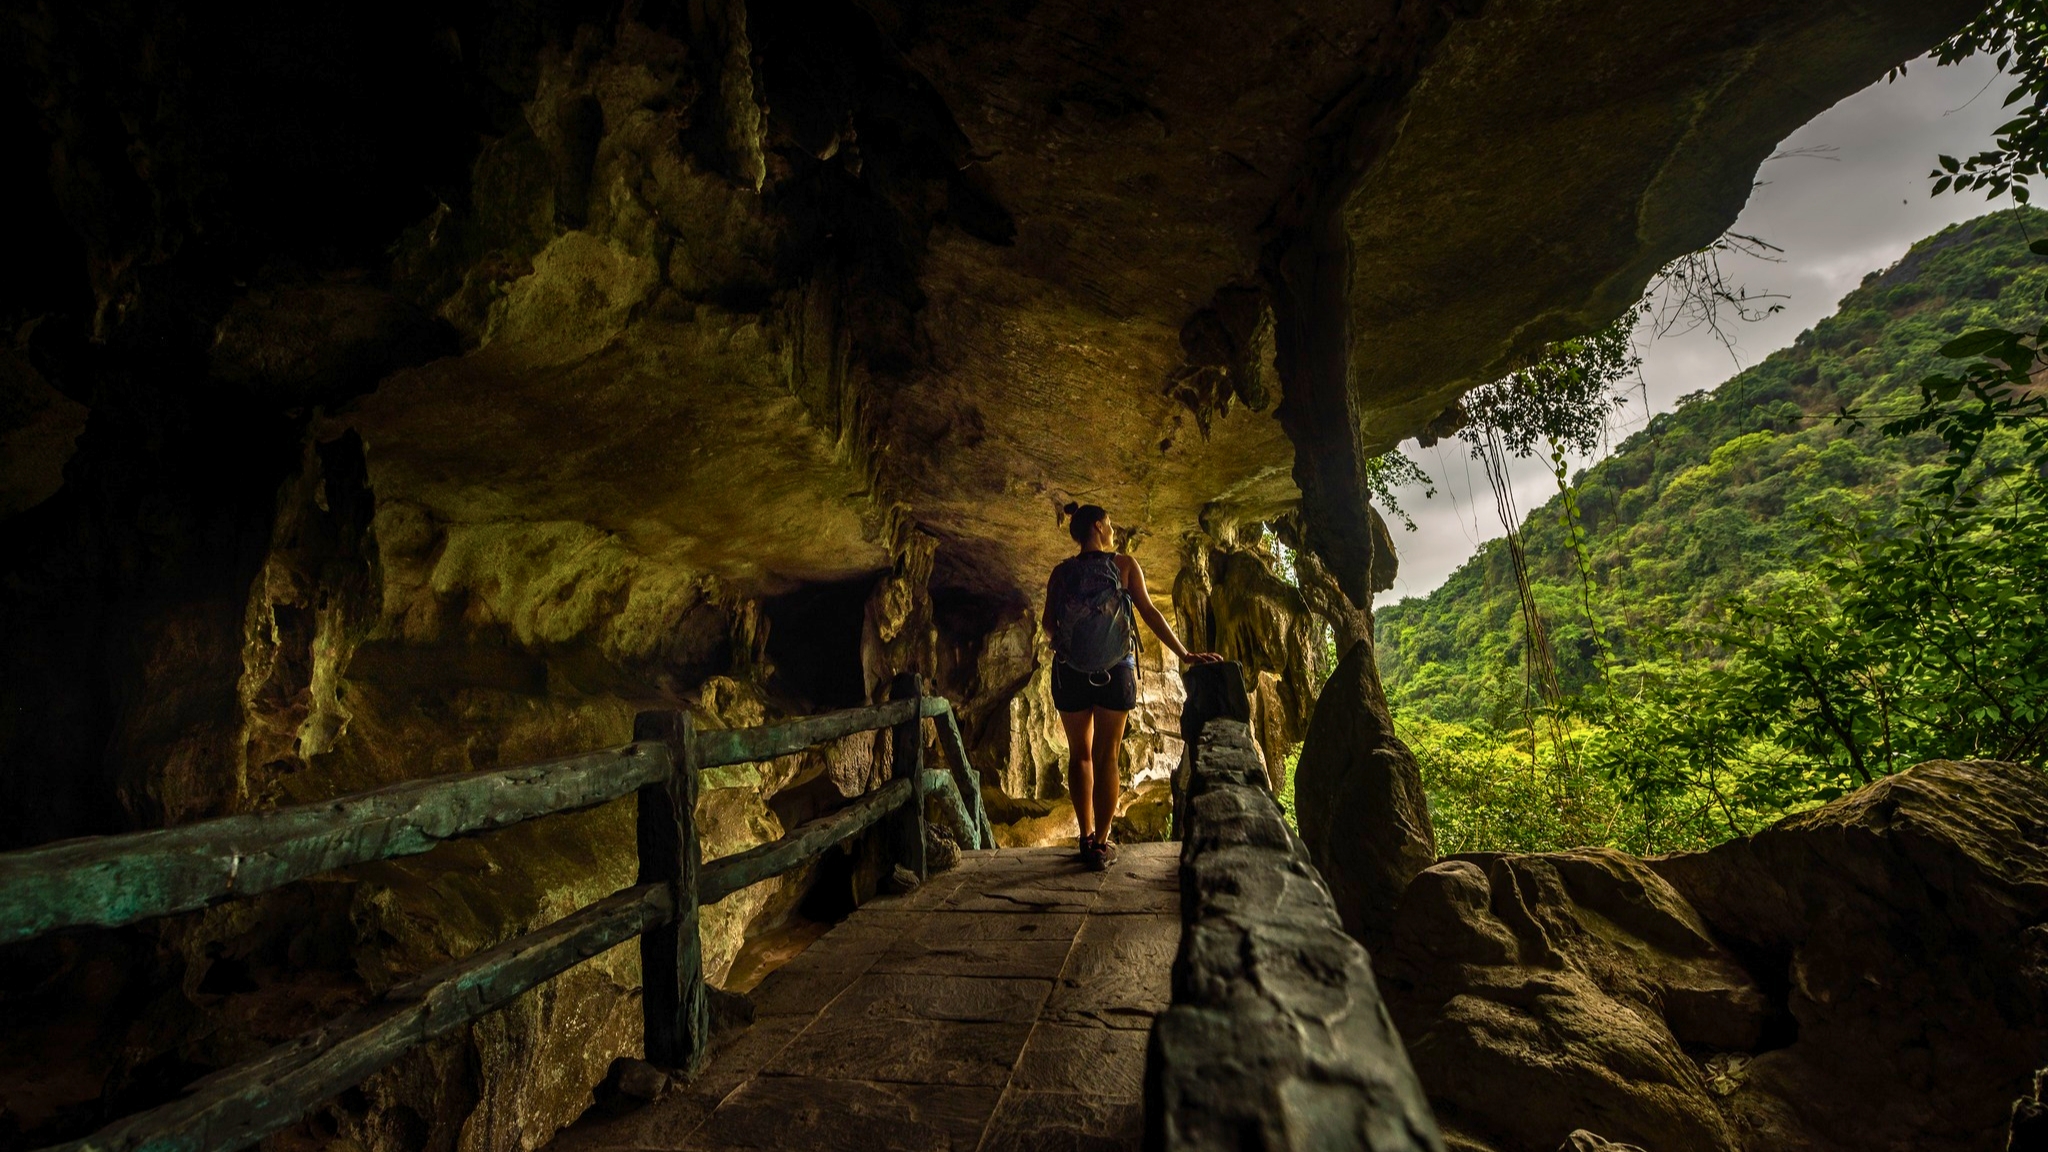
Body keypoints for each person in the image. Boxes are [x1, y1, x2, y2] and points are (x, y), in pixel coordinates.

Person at [1042, 502, 1220, 870]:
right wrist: (1185, 654)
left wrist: (1070, 643)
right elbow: (1150, 613)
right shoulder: (1123, 566)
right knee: (1107, 755)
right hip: (1115, 674)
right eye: (1108, 523)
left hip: (1071, 674)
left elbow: (1048, 623)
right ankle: (1102, 844)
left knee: (1081, 755)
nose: (1111, 528)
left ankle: (1085, 835)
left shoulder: (1060, 574)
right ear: (1097, 525)